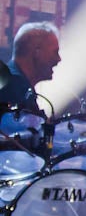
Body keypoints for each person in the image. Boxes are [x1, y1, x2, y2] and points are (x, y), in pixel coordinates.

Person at [0, 21, 62, 154]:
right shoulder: (14, 88)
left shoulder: (15, 84)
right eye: (55, 52)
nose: (59, 59)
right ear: (37, 52)